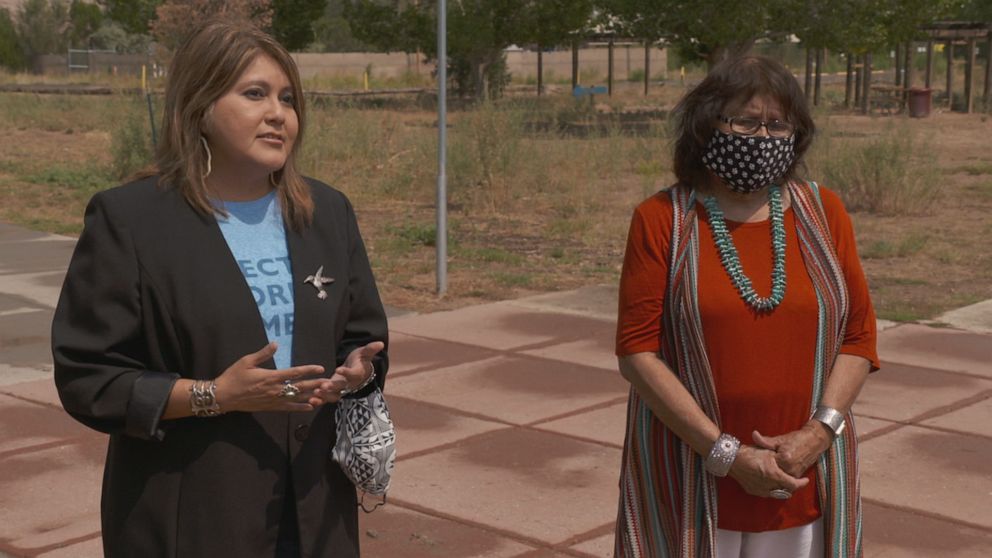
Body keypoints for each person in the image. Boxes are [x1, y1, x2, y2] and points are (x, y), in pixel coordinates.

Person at [51, 19, 388, 558]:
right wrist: (214, 395)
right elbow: (88, 376)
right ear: (201, 106)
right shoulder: (131, 220)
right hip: (193, 514)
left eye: (287, 98)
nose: (278, 113)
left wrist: (358, 370)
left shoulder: (327, 212)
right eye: (254, 94)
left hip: (314, 508)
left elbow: (363, 333)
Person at [613, 55, 879, 558]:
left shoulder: (826, 214)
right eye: (744, 120)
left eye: (778, 124)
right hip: (689, 473)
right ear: (706, 124)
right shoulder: (661, 220)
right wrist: (725, 454)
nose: (762, 137)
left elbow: (859, 337)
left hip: (803, 474)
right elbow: (636, 352)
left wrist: (819, 433)